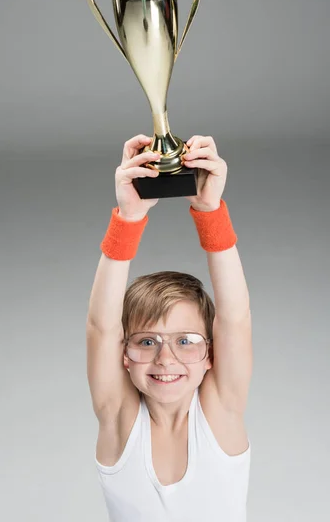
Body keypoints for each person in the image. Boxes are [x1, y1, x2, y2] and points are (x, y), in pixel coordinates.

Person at [86, 134, 253, 522]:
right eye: (146, 341)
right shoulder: (120, 417)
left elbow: (234, 317)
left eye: (186, 340)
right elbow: (101, 326)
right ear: (123, 355)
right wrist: (129, 218)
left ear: (211, 353)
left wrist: (210, 211)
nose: (166, 358)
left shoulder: (220, 410)